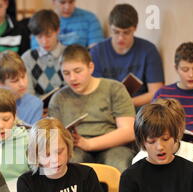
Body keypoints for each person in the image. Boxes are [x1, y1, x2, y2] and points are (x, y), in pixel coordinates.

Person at [48, 44, 135, 173]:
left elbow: (128, 131)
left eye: (78, 71)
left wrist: (89, 144)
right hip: (76, 148)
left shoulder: (114, 88)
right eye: (66, 73)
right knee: (68, 162)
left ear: (91, 67)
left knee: (118, 162)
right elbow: (54, 137)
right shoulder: (58, 98)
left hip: (114, 145)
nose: (72, 78)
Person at [153, 42, 193, 172]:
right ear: (176, 68)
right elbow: (152, 125)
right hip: (168, 149)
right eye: (185, 69)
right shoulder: (163, 93)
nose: (191, 75)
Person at [90, 3, 164, 108]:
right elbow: (93, 91)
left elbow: (156, 92)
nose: (120, 38)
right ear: (110, 27)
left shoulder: (148, 50)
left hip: (139, 108)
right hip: (106, 107)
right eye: (116, 32)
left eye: (126, 33)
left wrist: (125, 103)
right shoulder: (97, 52)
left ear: (135, 28)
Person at [22, 9, 65, 97]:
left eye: (48, 35)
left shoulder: (69, 54)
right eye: (39, 37)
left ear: (57, 30)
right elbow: (28, 93)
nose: (44, 41)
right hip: (38, 108)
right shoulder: (27, 58)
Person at [31, 0, 103, 50]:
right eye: (62, 2)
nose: (67, 7)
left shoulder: (89, 18)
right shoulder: (43, 20)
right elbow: (37, 49)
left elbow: (96, 49)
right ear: (53, 2)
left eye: (71, 2)